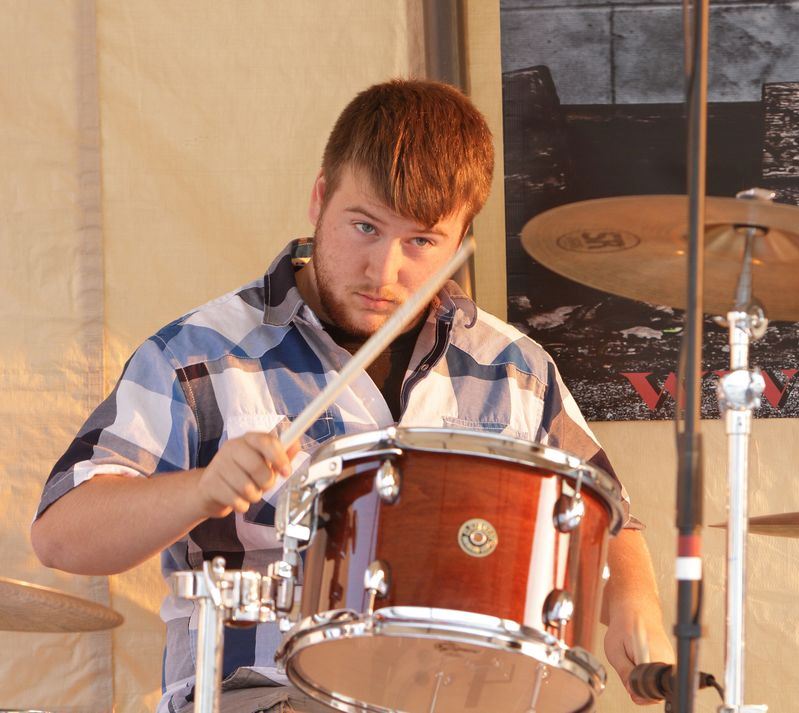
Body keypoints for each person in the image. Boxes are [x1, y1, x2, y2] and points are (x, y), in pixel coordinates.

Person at [32, 79, 672, 712]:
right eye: (364, 226)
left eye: (422, 241)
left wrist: (634, 606)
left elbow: (601, 513)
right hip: (261, 696)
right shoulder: (198, 354)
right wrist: (199, 490)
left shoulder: (513, 368)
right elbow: (62, 537)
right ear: (318, 197)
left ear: (460, 240)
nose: (385, 271)